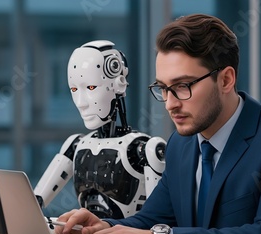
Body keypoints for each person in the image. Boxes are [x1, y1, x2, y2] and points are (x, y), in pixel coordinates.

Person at [55, 14, 261, 234]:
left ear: (226, 79)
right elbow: (152, 221)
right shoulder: (182, 145)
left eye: (183, 85)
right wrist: (103, 227)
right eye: (162, 88)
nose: (171, 103)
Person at [34, 40, 166, 219]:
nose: (81, 102)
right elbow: (34, 203)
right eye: (74, 89)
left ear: (118, 85)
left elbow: (157, 221)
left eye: (90, 87)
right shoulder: (77, 144)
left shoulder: (143, 149)